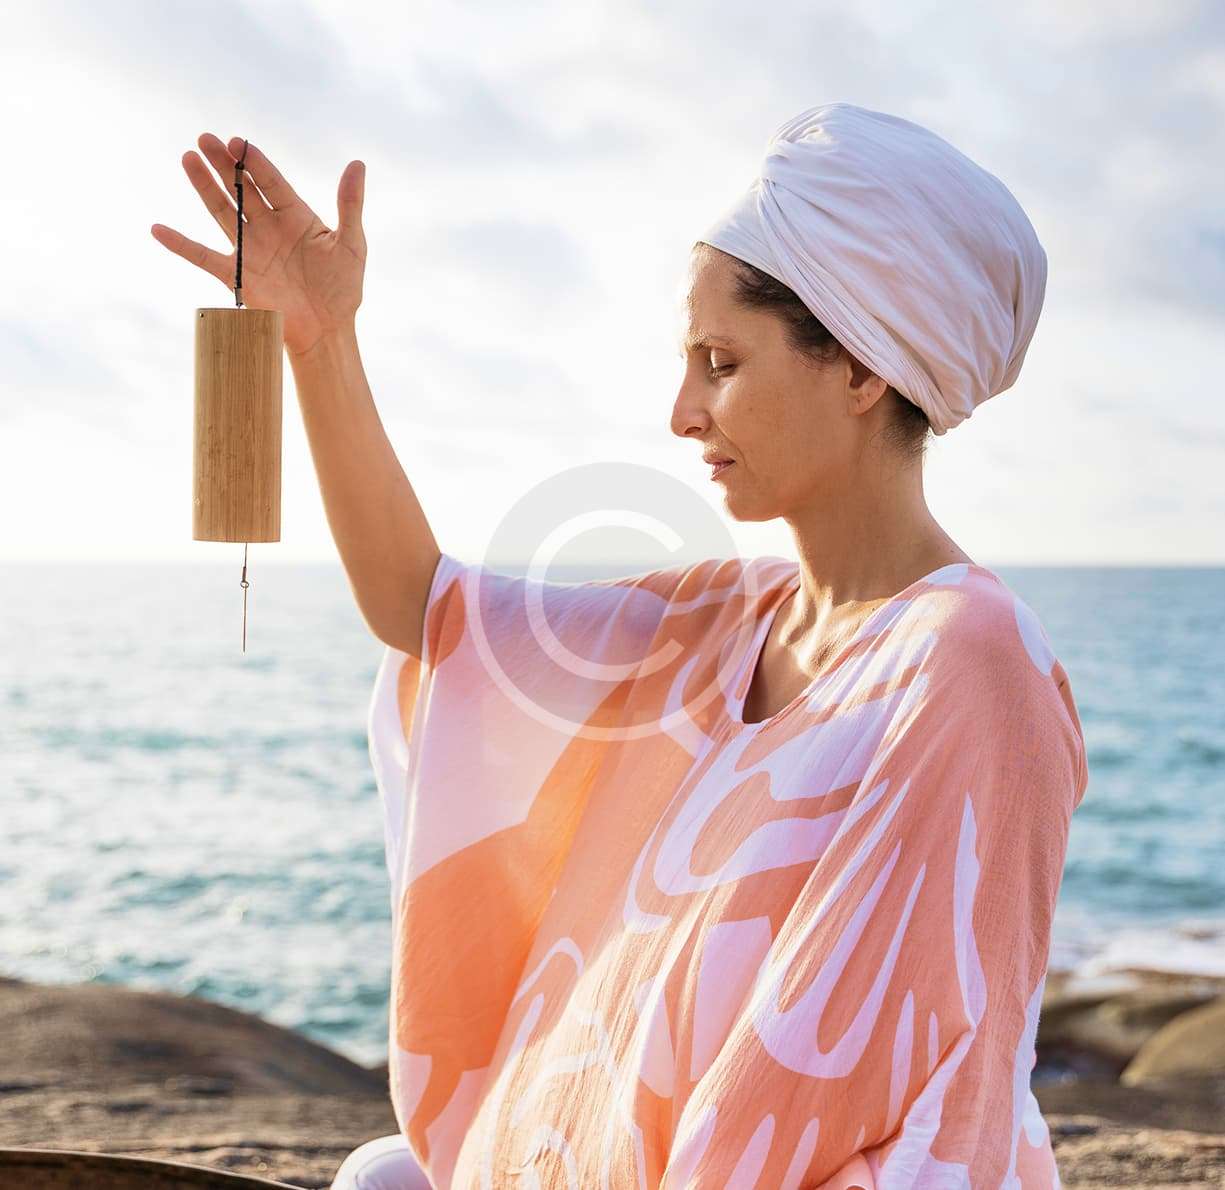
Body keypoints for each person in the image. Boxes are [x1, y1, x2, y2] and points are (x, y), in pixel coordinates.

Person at [153, 102, 1088, 1188]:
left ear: (861, 370)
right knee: (382, 1174)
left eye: (720, 361)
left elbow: (898, 1087)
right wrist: (321, 340)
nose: (682, 411)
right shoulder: (724, 619)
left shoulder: (969, 662)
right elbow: (429, 611)